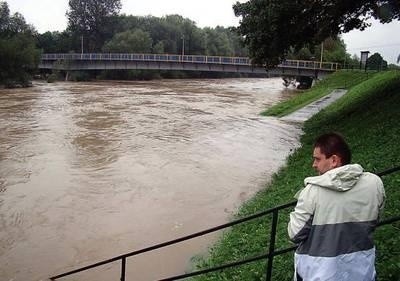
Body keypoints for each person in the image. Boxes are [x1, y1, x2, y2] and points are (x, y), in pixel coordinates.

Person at [288, 132, 385, 281]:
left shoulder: (312, 192)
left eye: (317, 159)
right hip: (362, 272)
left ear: (334, 160)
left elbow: (294, 234)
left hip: (320, 274)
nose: (314, 165)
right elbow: (375, 220)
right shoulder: (375, 184)